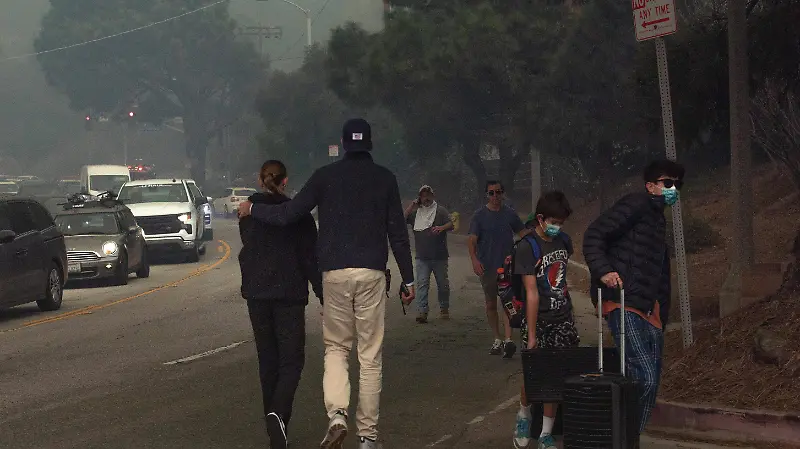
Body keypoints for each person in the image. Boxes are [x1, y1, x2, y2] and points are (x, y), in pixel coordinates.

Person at [238, 118, 415, 449]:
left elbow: (289, 213)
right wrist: (408, 278)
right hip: (371, 273)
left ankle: (337, 415)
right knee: (370, 355)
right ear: (370, 144)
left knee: (336, 348)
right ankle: (367, 437)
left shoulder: (325, 177)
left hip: (333, 274)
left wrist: (254, 210)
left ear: (344, 144)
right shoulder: (385, 179)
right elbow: (398, 234)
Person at [582, 159, 684, 435]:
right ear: (650, 186)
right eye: (668, 182)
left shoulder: (657, 219)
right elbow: (594, 235)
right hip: (623, 303)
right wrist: (604, 272)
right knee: (645, 377)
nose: (674, 188)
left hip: (651, 312)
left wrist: (663, 311)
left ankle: (628, 439)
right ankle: (618, 436)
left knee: (650, 383)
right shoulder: (636, 204)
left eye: (677, 183)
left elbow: (658, 272)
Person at [238, 160, 323, 449]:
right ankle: (279, 414)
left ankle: (274, 426)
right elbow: (310, 259)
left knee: (268, 362)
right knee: (292, 361)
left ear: (260, 180)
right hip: (289, 295)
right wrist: (323, 293)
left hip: (258, 296)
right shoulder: (298, 216)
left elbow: (249, 249)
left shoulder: (247, 214)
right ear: (285, 181)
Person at [511, 192, 577, 449]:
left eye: (561, 222)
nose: (557, 226)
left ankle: (546, 433)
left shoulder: (564, 242)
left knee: (557, 375)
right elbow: (531, 292)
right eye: (554, 221)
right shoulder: (527, 247)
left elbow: (561, 278)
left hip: (563, 316)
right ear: (540, 218)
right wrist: (531, 335)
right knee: (535, 374)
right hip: (537, 318)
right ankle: (524, 414)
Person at [468, 180, 529, 358]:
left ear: (503, 193)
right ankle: (497, 338)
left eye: (499, 192)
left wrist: (541, 235)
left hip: (507, 267)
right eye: (492, 193)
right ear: (486, 195)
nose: (495, 196)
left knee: (508, 303)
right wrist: (474, 260)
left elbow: (523, 232)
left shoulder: (509, 214)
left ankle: (508, 339)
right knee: (491, 304)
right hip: (487, 266)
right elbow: (471, 239)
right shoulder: (479, 216)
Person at [404, 185, 454, 323]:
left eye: (428, 195)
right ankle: (422, 311)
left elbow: (451, 224)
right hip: (422, 256)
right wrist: (412, 205)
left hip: (439, 256)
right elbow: (402, 219)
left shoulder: (440, 210)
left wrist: (441, 227)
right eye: (423, 195)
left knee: (442, 284)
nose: (426, 198)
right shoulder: (416, 213)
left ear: (432, 196)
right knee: (422, 284)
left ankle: (444, 308)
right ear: (419, 197)